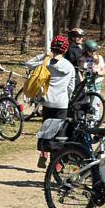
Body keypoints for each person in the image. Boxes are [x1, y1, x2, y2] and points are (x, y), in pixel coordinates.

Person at [27, 36, 77, 166]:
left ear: (52, 48)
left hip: (47, 101)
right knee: (60, 132)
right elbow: (71, 87)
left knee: (47, 128)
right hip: (61, 103)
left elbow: (28, 63)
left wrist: (44, 55)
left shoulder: (45, 63)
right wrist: (67, 96)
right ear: (65, 50)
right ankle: (57, 162)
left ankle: (44, 152)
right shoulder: (69, 66)